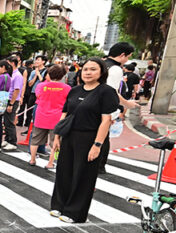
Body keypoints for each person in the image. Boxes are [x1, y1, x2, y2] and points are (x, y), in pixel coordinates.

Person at [51, 58, 119, 223]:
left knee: (83, 175)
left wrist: (97, 145)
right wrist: (57, 136)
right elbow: (65, 114)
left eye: (93, 69)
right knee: (64, 171)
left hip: (89, 137)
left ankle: (75, 213)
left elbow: (106, 121)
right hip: (68, 135)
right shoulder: (74, 90)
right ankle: (59, 205)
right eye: (86, 69)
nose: (88, 72)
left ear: (101, 72)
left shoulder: (106, 92)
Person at [101, 42, 138, 174]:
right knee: (102, 138)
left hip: (88, 106)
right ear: (122, 55)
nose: (127, 60)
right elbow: (112, 92)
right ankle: (99, 166)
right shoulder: (115, 69)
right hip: (103, 109)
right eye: (128, 56)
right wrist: (127, 104)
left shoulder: (100, 64)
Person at [28, 64, 70, 168]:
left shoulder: (41, 86)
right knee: (54, 142)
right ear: (62, 76)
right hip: (57, 118)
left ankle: (32, 159)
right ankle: (50, 163)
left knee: (35, 139)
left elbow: (38, 96)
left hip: (41, 115)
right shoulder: (67, 88)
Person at [2, 56, 22, 151]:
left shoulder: (17, 75)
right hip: (8, 99)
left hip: (12, 100)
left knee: (10, 121)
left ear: (12, 63)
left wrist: (11, 103)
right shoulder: (11, 74)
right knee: (6, 121)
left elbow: (17, 90)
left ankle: (13, 142)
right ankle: (7, 138)